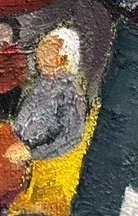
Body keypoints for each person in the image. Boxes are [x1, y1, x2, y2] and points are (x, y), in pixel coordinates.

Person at [11, 26, 88, 162]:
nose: (40, 55)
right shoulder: (41, 84)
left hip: (40, 161)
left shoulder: (71, 93)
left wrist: (32, 154)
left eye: (49, 51)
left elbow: (71, 138)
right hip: (17, 148)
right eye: (41, 49)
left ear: (63, 58)